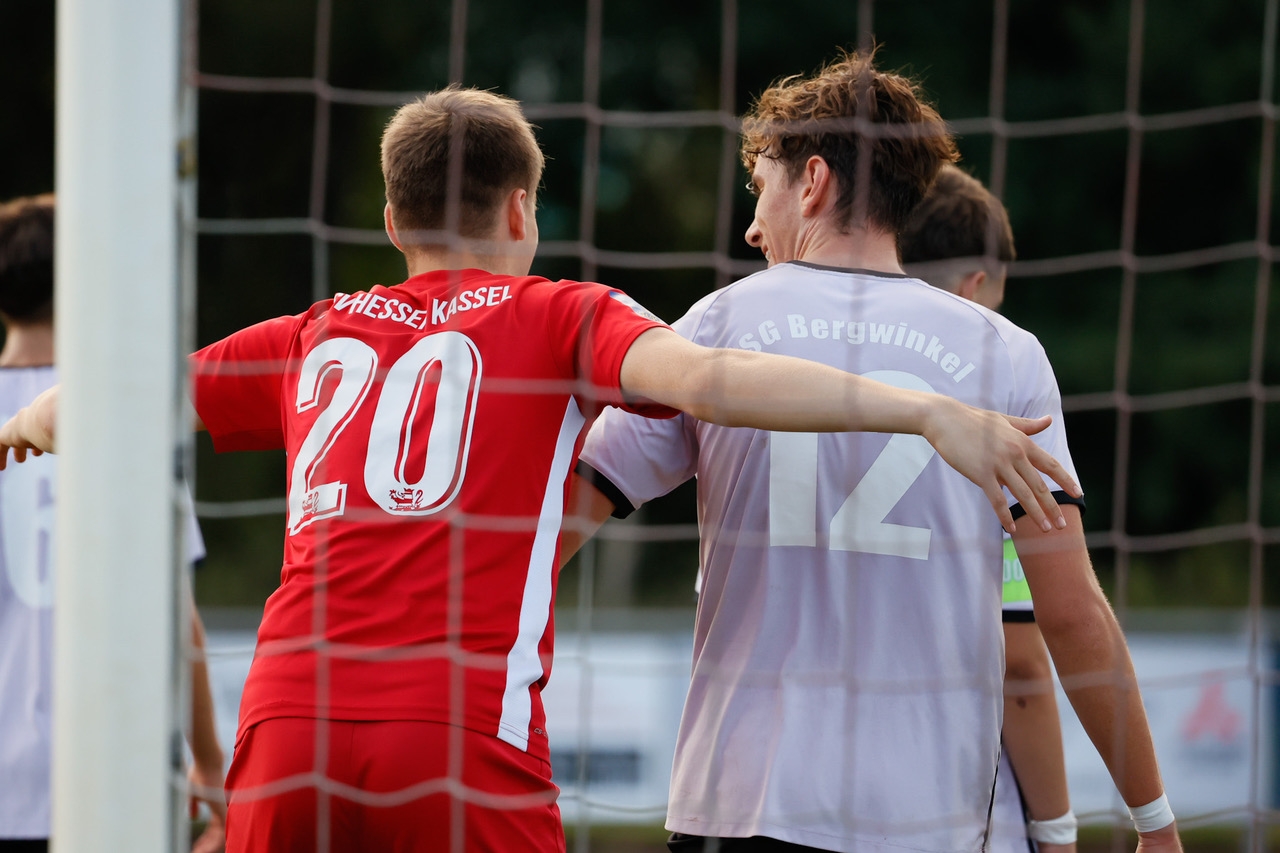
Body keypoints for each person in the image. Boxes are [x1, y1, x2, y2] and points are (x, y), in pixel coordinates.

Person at [0, 87, 1078, 853]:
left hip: (288, 727)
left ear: (391, 220)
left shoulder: (310, 330)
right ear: (523, 211)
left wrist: (34, 420)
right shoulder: (558, 312)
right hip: (457, 732)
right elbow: (709, 382)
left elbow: (101, 401)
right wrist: (923, 409)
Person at [566, 50, 1182, 853]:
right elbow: (1070, 615)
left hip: (741, 801)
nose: (752, 225)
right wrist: (1154, 820)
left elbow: (560, 518)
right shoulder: (1005, 352)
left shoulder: (715, 329)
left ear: (813, 182)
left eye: (760, 186)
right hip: (927, 815)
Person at [0, 194, 227, 853]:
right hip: (113, 778)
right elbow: (174, 610)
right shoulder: (121, 409)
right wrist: (210, 761)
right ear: (87, 280)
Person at [900, 164, 1075, 853]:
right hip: (952, 807)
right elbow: (1021, 665)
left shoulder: (803, 388)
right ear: (977, 285)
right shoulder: (998, 423)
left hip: (782, 803)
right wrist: (1057, 832)